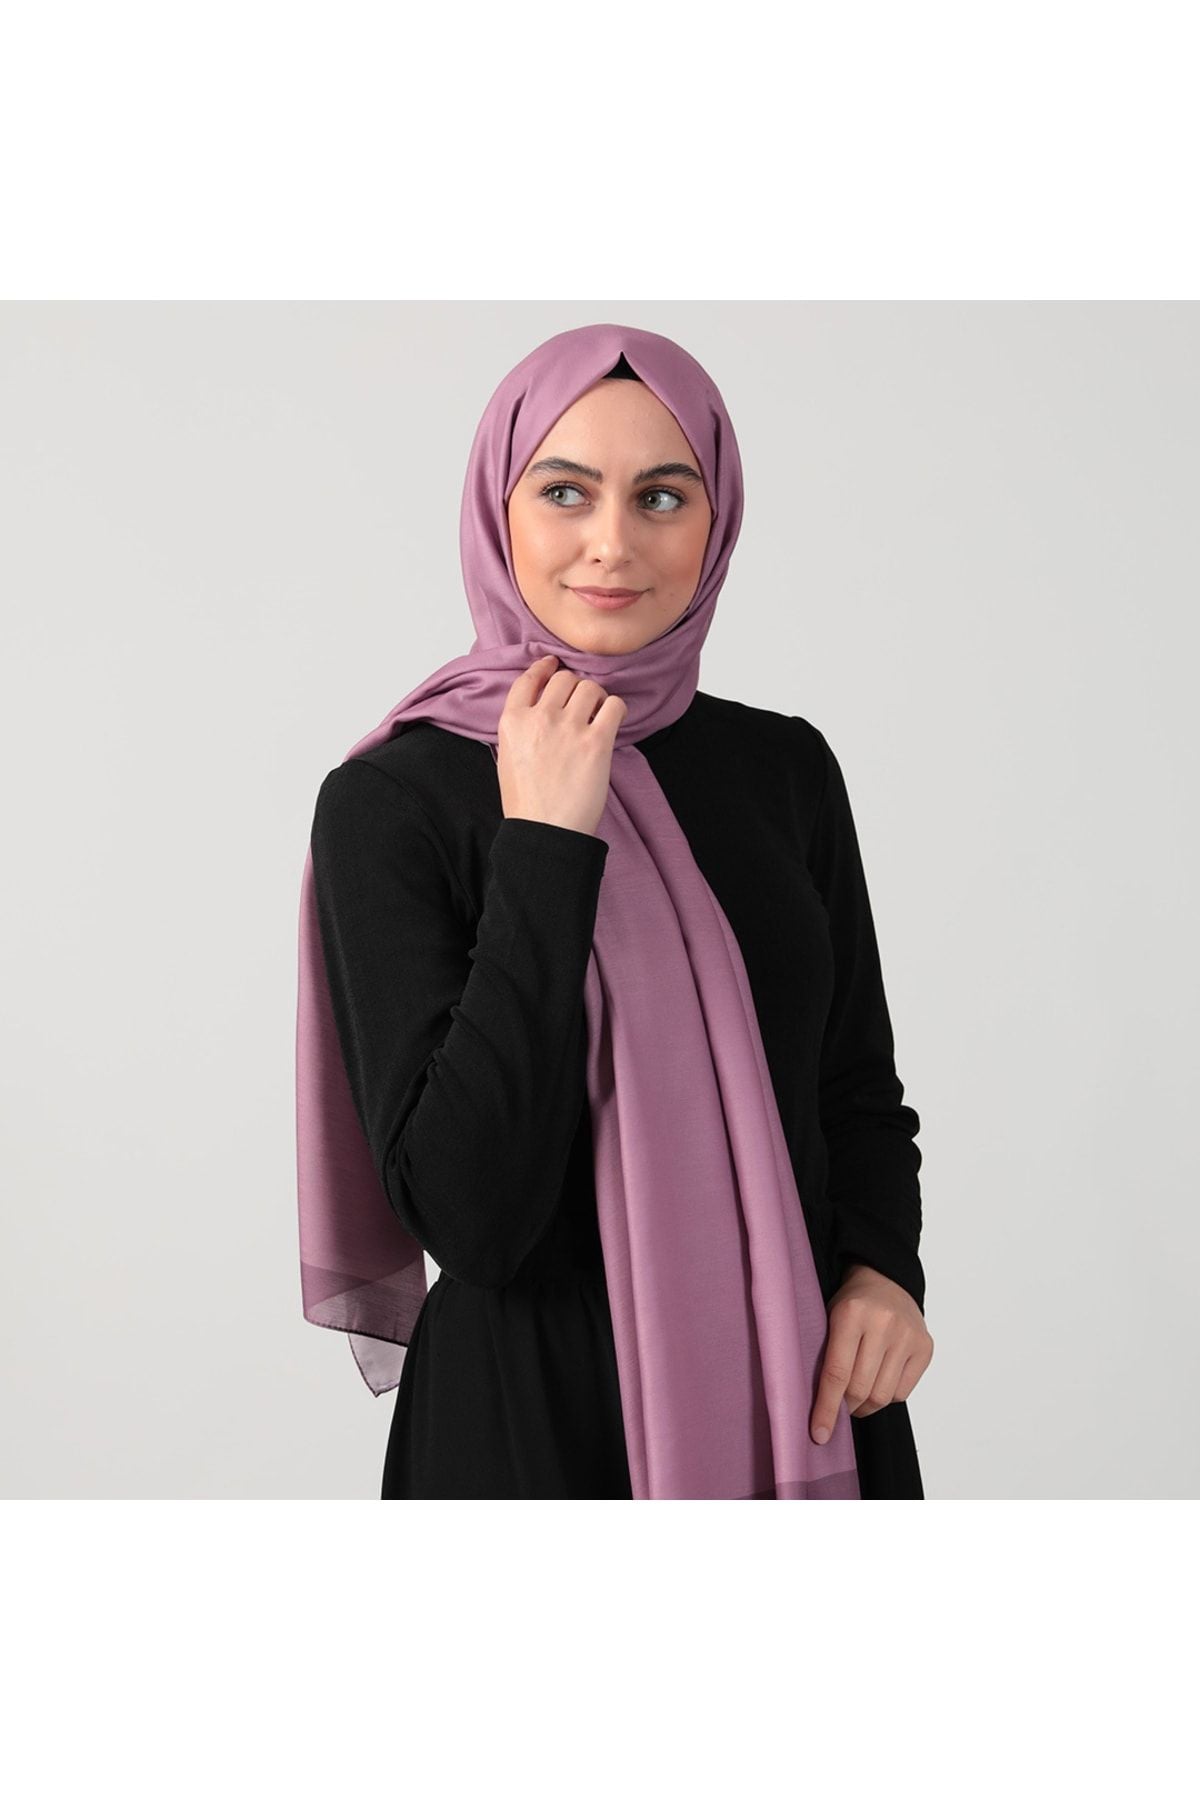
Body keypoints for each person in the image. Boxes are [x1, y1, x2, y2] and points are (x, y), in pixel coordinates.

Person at [300, 324, 933, 1499]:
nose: (613, 542)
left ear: (717, 520)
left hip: (804, 1393)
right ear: (497, 507)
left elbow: (853, 1088)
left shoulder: (784, 770)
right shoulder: (395, 799)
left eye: (661, 496)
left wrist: (885, 1271)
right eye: (564, 491)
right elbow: (471, 1215)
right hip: (530, 1432)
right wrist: (547, 844)